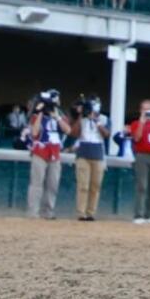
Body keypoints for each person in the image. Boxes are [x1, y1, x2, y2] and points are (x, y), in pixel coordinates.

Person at [26, 90, 72, 219]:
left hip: (55, 153)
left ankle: (48, 211)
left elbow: (68, 130)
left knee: (53, 184)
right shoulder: (36, 114)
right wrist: (40, 113)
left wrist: (56, 116)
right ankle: (33, 212)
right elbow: (34, 132)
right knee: (36, 183)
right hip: (40, 151)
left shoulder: (60, 114)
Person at [123, 98, 150, 224]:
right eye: (145, 109)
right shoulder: (136, 123)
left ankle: (149, 214)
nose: (148, 112)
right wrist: (142, 122)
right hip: (141, 155)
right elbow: (136, 138)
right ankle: (138, 214)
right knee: (141, 185)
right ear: (140, 110)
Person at [70, 95, 110, 221]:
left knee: (95, 185)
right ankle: (81, 212)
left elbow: (106, 134)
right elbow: (74, 133)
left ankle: (91, 212)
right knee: (83, 184)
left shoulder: (104, 118)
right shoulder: (82, 119)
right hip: (83, 153)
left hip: (98, 152)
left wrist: (97, 122)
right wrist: (81, 115)